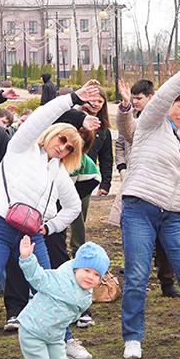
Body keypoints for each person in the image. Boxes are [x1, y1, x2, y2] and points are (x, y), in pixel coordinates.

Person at [0, 81, 97, 359]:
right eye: (61, 139)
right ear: (52, 133)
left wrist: (49, 229)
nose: (62, 147)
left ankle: (64, 341)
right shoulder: (21, 148)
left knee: (49, 288)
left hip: (31, 234)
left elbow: (74, 208)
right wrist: (72, 99)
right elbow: (40, 116)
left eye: (69, 147)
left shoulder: (58, 171)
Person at [119, 55, 180, 359]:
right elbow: (162, 94)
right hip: (140, 206)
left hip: (176, 215)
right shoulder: (151, 122)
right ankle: (133, 337)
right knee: (137, 275)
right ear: (169, 105)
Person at [15, 236, 109, 359]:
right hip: (33, 330)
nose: (91, 277)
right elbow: (36, 275)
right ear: (76, 267)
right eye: (87, 270)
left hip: (56, 335)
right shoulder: (57, 279)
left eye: (97, 274)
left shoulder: (86, 295)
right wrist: (27, 258)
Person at [113, 78, 180, 298]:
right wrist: (122, 167)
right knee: (135, 232)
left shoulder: (166, 120)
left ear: (151, 98)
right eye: (133, 98)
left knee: (163, 239)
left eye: (138, 98)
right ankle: (135, 271)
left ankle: (167, 281)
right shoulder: (136, 119)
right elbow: (123, 137)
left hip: (162, 187)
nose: (135, 102)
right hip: (137, 184)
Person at [68, 85, 113, 258]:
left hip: (85, 176)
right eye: (93, 99)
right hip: (65, 171)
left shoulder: (103, 131)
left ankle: (76, 249)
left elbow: (107, 158)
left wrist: (105, 183)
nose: (96, 103)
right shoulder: (72, 118)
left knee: (78, 213)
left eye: (100, 101)